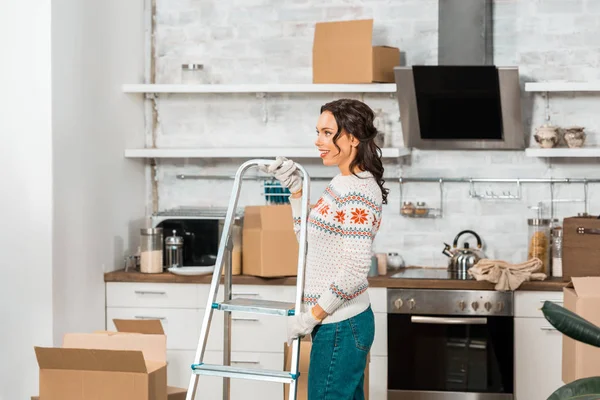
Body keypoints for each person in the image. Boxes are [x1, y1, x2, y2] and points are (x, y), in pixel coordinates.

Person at [260, 98, 388, 399]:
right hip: (338, 324)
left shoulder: (356, 192)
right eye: (318, 132)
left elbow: (355, 272)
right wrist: (296, 191)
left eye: (327, 133)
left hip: (341, 326)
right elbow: (307, 243)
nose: (318, 141)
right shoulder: (341, 183)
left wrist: (312, 316)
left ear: (353, 137)